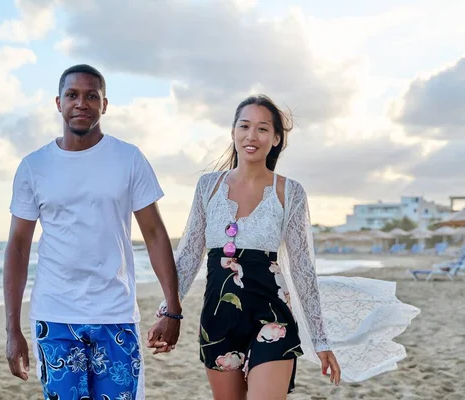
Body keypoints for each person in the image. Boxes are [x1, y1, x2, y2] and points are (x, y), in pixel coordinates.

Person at [147, 94, 420, 399]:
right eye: (244, 126)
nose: (252, 136)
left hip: (273, 318)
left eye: (262, 129)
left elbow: (303, 269)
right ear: (233, 132)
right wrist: (167, 312)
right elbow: (188, 256)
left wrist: (320, 341)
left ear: (276, 138)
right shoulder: (208, 187)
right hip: (218, 319)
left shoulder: (290, 192)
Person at [3, 64, 182, 400]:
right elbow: (17, 247)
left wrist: (172, 308)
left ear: (104, 104)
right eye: (72, 95)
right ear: (59, 102)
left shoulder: (129, 159)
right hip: (54, 316)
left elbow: (155, 234)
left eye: (91, 96)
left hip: (114, 313)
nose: (81, 103)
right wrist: (12, 329)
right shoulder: (34, 166)